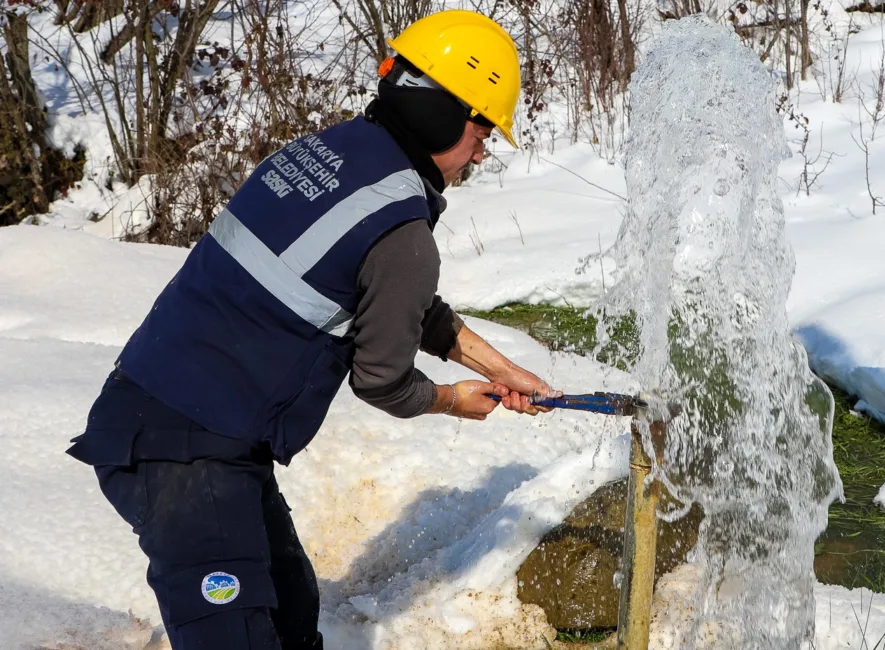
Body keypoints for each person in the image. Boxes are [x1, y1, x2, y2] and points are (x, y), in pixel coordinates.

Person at [65, 10, 558, 649]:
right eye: (482, 124)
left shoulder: (329, 153)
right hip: (188, 456)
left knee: (292, 614)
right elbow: (382, 381)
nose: (483, 146)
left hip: (161, 419)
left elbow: (389, 299)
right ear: (441, 110)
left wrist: (498, 368)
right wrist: (449, 401)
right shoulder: (403, 233)